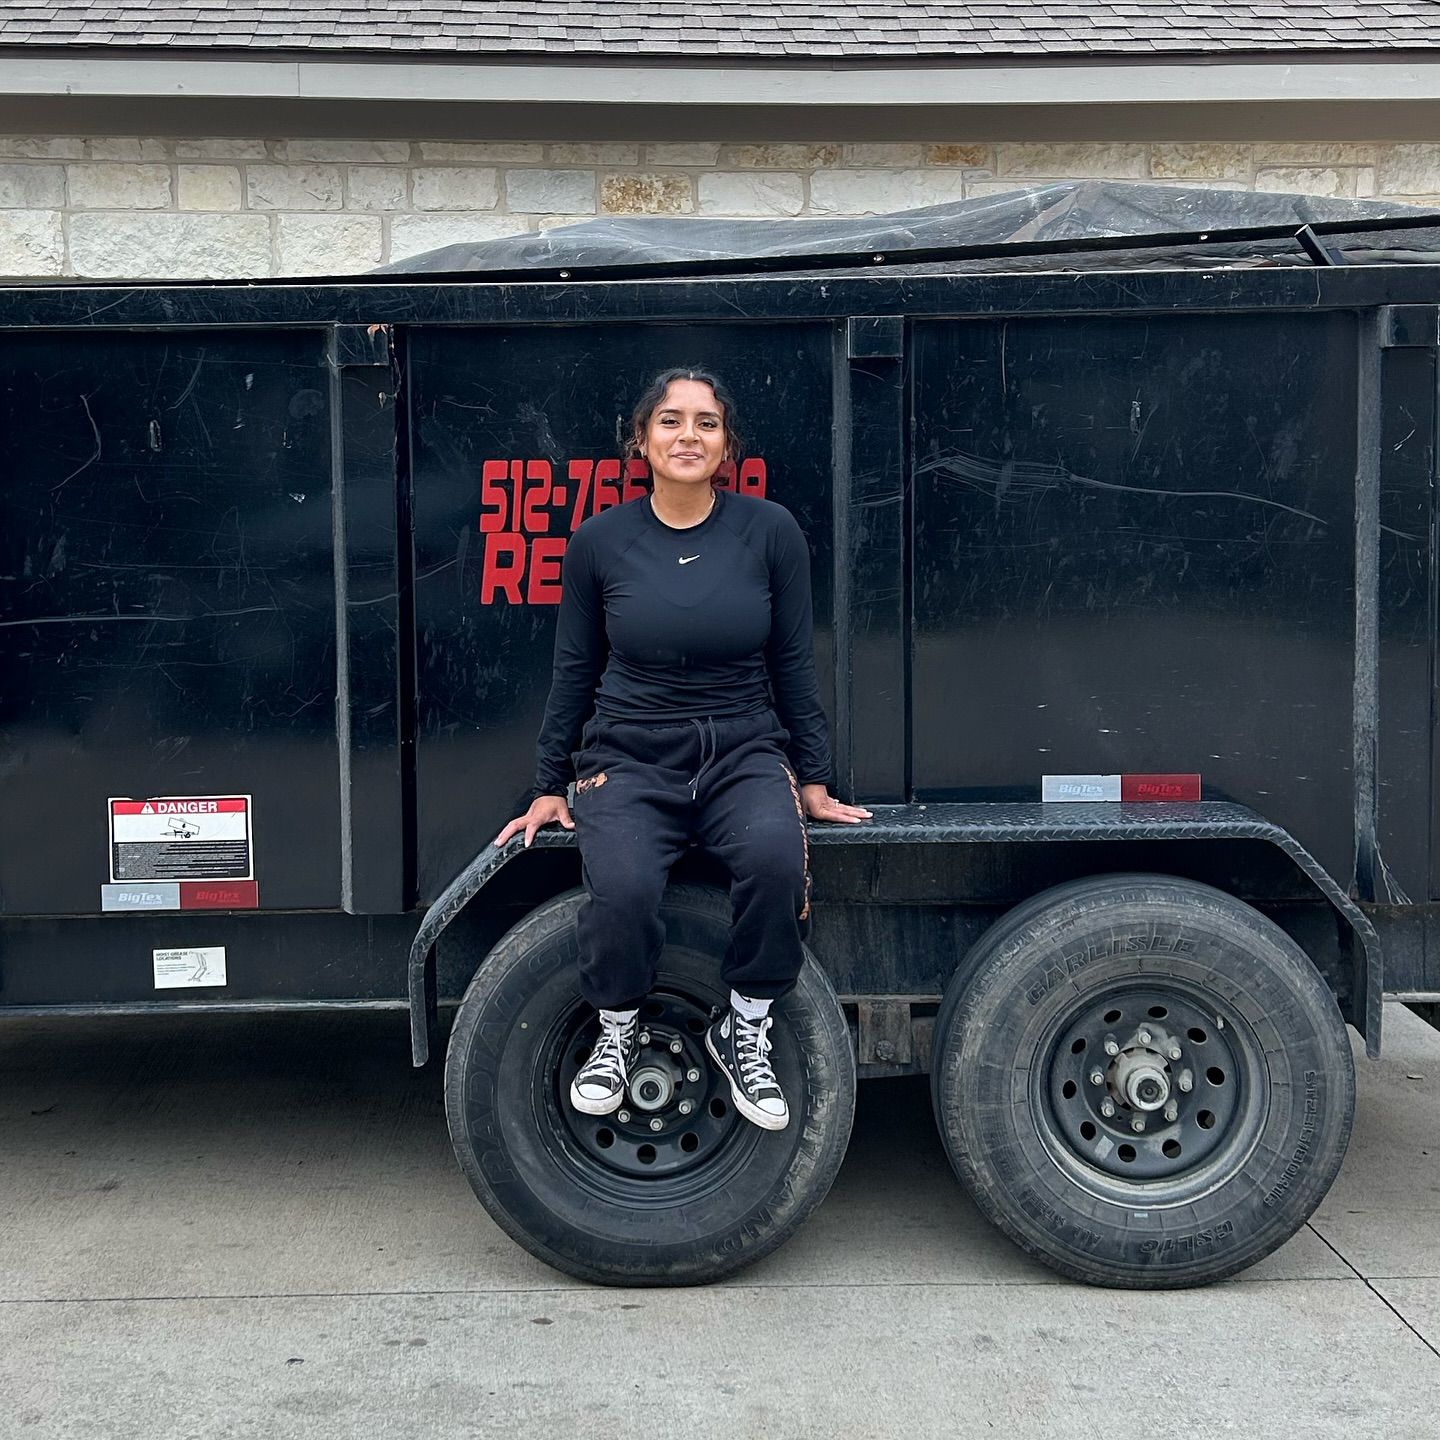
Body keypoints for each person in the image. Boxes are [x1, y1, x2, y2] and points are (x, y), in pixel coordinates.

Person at [493, 368, 871, 1131]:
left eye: (705, 423)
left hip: (743, 752)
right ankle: (618, 1031)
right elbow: (574, 671)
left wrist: (817, 778)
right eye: (670, 421)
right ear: (641, 441)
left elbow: (795, 665)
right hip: (629, 758)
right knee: (625, 890)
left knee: (774, 863)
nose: (688, 436)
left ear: (727, 444)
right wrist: (547, 782)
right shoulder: (600, 542)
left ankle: (745, 1025)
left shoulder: (770, 533)